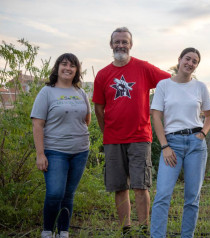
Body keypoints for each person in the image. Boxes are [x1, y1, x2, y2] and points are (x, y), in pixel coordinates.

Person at [92, 27, 171, 236]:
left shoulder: (143, 68)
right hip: (113, 138)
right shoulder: (103, 75)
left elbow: (170, 82)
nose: (120, 45)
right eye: (117, 42)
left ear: (131, 45)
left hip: (139, 137)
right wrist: (106, 130)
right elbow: (98, 108)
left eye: (124, 42)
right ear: (111, 45)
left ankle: (145, 229)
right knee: (119, 186)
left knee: (140, 185)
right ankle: (126, 230)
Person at [150, 47, 210, 238]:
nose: (190, 63)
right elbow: (156, 117)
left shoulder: (200, 87)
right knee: (162, 195)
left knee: (192, 198)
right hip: (172, 144)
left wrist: (202, 134)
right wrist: (165, 146)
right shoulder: (164, 85)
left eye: (195, 61)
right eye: (188, 59)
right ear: (179, 60)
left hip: (196, 145)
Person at [31, 53, 91, 238]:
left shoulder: (80, 92)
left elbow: (86, 120)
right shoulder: (47, 92)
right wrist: (40, 154)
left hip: (80, 151)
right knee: (55, 193)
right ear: (57, 68)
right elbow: (37, 124)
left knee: (68, 194)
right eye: (64, 64)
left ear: (76, 71)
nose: (68, 68)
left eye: (72, 65)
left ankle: (63, 232)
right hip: (55, 151)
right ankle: (48, 231)